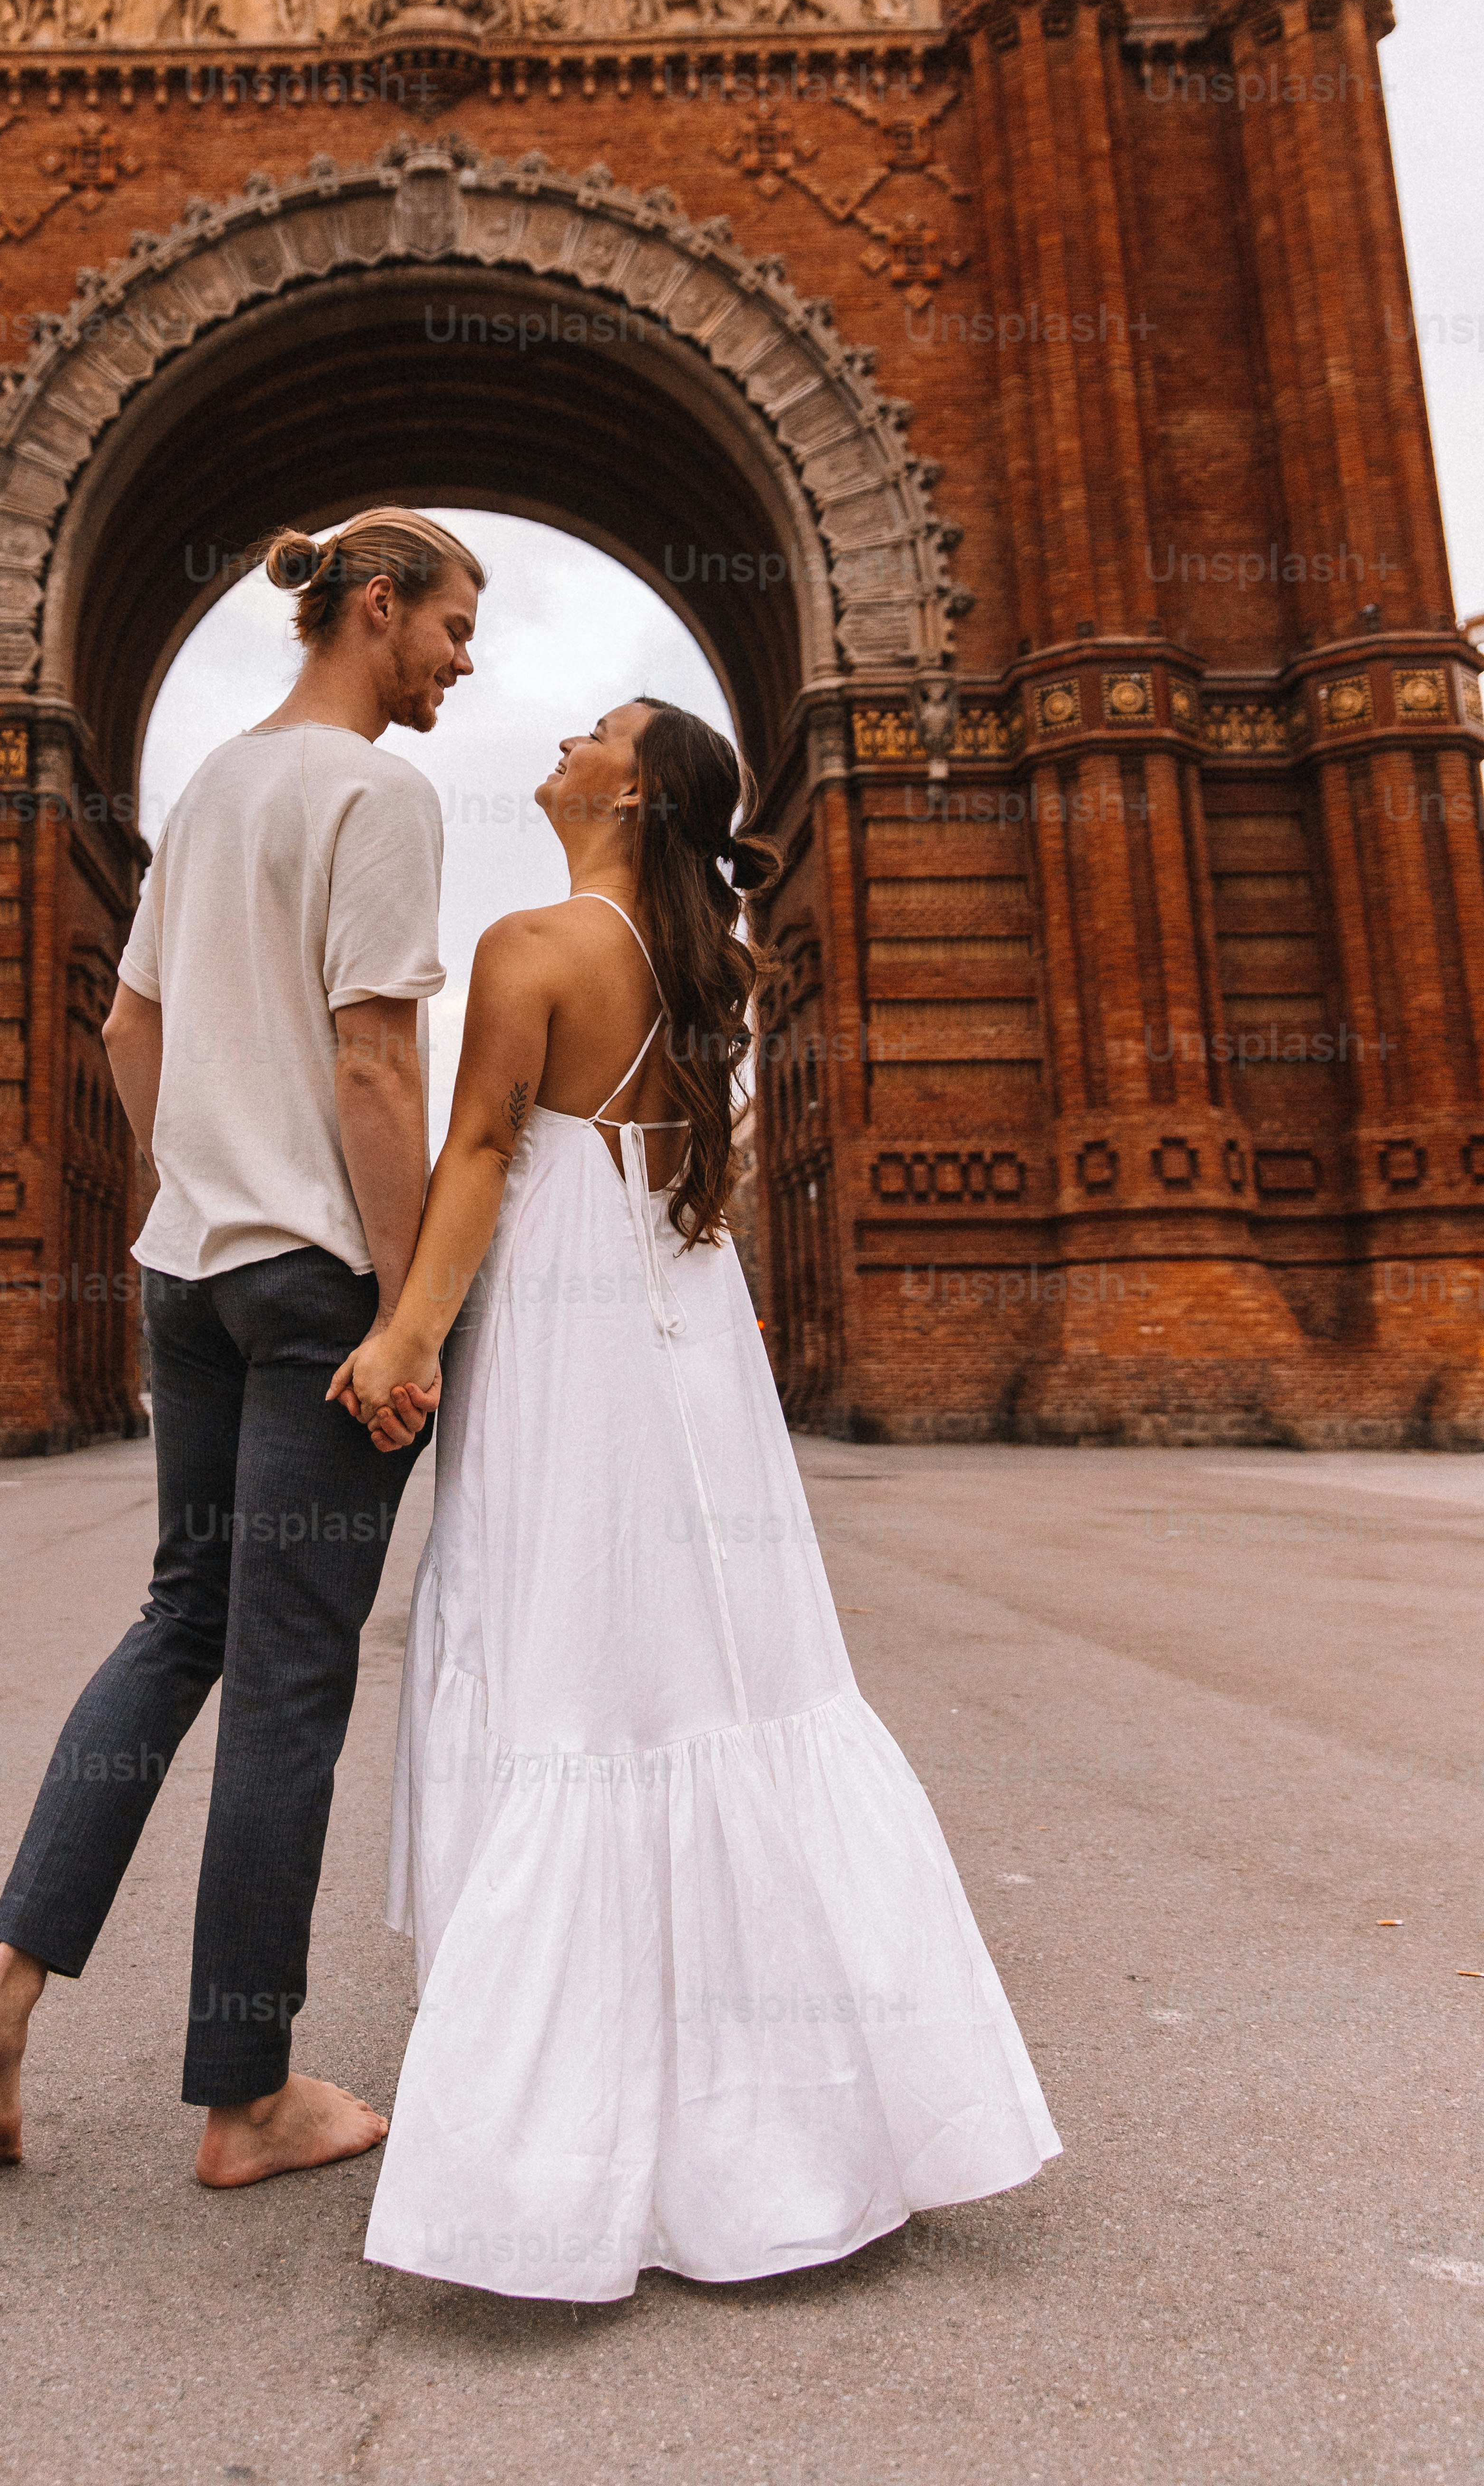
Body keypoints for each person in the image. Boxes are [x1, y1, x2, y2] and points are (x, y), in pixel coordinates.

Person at [334, 699, 1061, 2299]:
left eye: (596, 731)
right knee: (717, 1669)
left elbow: (473, 1155)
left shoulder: (535, 945)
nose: (566, 741)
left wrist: (405, 1334)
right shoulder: (694, 967)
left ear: (632, 789)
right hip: (676, 1330)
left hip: (561, 1338)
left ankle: (558, 2150)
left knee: (567, 1667)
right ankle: (800, 2115)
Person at [0, 508, 486, 2185]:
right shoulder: (376, 793)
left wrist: (199, 1186)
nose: (465, 662)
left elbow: (127, 1025)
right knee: (291, 1684)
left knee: (182, 1622)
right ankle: (246, 2097)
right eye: (456, 627)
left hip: (189, 1271)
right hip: (319, 1282)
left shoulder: (217, 784)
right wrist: (407, 1309)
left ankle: (1, 1981)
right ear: (375, 608)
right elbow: (380, 1066)